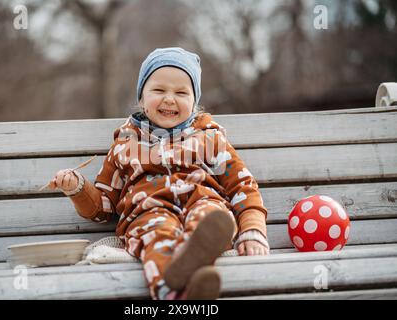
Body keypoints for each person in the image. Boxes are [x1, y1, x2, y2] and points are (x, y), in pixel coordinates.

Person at [48, 47, 269, 300]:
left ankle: (192, 254)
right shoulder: (125, 144)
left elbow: (243, 187)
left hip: (203, 201)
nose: (169, 99)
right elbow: (104, 206)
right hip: (149, 211)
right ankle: (180, 292)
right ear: (142, 98)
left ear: (194, 102)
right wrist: (77, 188)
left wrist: (253, 230)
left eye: (181, 93)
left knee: (211, 217)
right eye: (159, 90)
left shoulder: (209, 138)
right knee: (158, 234)